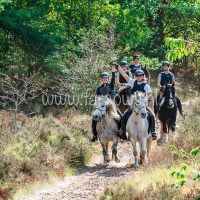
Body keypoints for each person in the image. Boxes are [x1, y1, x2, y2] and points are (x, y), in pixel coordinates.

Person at [115, 65, 157, 140]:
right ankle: (122, 130)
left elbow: (150, 95)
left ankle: (153, 131)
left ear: (143, 76)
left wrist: (145, 98)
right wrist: (118, 67)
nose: (139, 77)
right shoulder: (132, 82)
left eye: (140, 75)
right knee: (124, 115)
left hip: (143, 106)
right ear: (135, 76)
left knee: (152, 115)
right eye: (137, 75)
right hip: (133, 106)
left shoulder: (146, 86)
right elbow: (124, 75)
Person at [91, 65, 116, 142]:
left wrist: (113, 71)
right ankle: (95, 135)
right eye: (103, 78)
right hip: (102, 105)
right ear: (101, 79)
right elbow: (98, 97)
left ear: (108, 79)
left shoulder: (111, 86)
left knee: (120, 117)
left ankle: (122, 132)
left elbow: (114, 79)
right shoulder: (98, 88)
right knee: (94, 119)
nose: (105, 79)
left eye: (106, 78)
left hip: (111, 106)